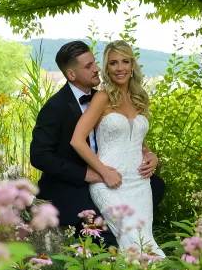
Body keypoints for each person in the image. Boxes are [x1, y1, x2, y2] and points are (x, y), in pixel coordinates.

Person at [30, 40, 165, 247]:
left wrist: (150, 155)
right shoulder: (55, 107)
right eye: (89, 66)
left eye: (95, 63)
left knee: (156, 185)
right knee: (110, 233)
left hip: (113, 175)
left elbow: (132, 138)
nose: (97, 69)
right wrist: (87, 173)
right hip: (71, 184)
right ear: (71, 75)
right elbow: (39, 156)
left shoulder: (106, 98)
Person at [70, 40, 164, 256]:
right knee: (134, 243)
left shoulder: (140, 98)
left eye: (125, 61)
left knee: (145, 239)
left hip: (140, 184)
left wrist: (150, 155)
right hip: (111, 183)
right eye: (113, 63)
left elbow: (136, 140)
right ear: (106, 68)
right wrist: (102, 172)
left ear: (132, 65)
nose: (119, 68)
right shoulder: (102, 97)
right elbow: (77, 140)